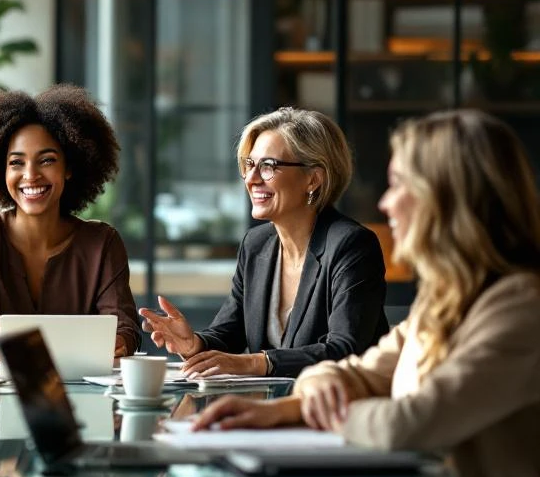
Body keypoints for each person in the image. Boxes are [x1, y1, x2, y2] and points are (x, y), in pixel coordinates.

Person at [178, 109, 540, 477]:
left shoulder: (518, 308)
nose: (386, 204)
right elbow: (354, 369)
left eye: (399, 186)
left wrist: (324, 405)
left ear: (450, 197)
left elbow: (409, 425)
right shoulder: (447, 301)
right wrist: (276, 410)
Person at [141, 107, 388, 381]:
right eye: (249, 164)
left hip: (334, 411)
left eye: (268, 166)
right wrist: (194, 344)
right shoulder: (256, 244)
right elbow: (229, 333)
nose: (251, 178)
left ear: (313, 179)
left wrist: (256, 363)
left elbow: (346, 349)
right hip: (271, 410)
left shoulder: (351, 245)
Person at [0, 84, 139, 355]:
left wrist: (119, 341)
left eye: (46, 160)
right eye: (16, 163)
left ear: (69, 167)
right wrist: (40, 341)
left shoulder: (102, 243)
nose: (31, 175)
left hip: (84, 391)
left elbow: (126, 332)